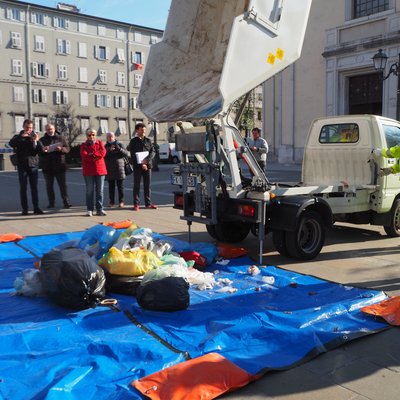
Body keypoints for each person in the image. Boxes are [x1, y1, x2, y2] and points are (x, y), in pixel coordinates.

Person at [9, 119, 44, 215]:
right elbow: (11, 143)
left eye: (31, 128)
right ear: (23, 127)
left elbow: (41, 151)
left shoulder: (35, 137)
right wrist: (21, 136)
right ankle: (25, 209)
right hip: (22, 165)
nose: (29, 130)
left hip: (33, 165)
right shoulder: (18, 136)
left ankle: (36, 208)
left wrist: (37, 141)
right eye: (27, 127)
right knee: (23, 188)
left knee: (34, 188)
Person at [39, 123, 71, 209]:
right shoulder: (42, 140)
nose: (50, 130)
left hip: (59, 165)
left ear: (54, 129)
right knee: (49, 186)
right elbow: (40, 152)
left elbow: (68, 149)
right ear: (46, 130)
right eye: (48, 129)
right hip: (47, 166)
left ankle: (66, 202)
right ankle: (51, 203)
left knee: (63, 185)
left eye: (51, 129)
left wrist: (61, 149)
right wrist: (44, 150)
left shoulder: (60, 138)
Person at [127, 122, 156, 211]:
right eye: (141, 130)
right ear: (137, 130)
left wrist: (146, 161)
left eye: (144, 130)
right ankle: (136, 204)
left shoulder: (148, 140)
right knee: (137, 185)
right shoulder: (133, 141)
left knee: (147, 185)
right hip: (137, 166)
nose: (143, 131)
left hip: (148, 166)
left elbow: (153, 152)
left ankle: (148, 203)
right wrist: (142, 164)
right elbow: (133, 155)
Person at [80, 129, 107, 216]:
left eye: (93, 135)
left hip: (100, 170)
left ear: (95, 135)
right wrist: (95, 156)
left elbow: (103, 152)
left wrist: (92, 154)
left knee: (100, 191)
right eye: (89, 135)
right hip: (89, 171)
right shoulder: (83, 145)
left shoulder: (100, 143)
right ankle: (89, 209)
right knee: (89, 191)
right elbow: (84, 155)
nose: (91, 137)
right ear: (86, 136)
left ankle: (100, 209)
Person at [104, 131, 129, 208]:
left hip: (119, 168)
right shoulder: (105, 146)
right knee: (111, 187)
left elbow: (126, 153)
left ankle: (121, 202)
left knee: (120, 186)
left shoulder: (119, 144)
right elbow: (103, 155)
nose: (110, 138)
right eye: (108, 137)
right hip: (109, 169)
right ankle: (111, 202)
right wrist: (109, 150)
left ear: (114, 137)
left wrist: (119, 149)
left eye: (111, 136)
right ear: (107, 138)